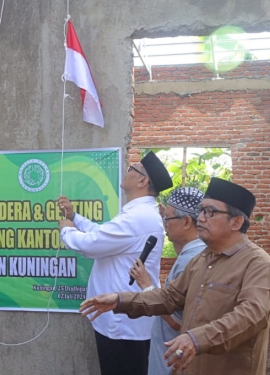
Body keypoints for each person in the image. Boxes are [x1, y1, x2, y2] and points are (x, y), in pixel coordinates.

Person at [79, 178, 270, 375]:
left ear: (236, 222)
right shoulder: (202, 260)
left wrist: (196, 339)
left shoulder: (258, 264)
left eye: (210, 212)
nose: (200, 218)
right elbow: (169, 297)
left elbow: (252, 316)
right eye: (201, 210)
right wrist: (120, 300)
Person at [57, 151, 173, 375]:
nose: (127, 171)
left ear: (142, 181)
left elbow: (91, 245)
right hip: (119, 319)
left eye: (132, 169)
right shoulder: (138, 214)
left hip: (122, 325)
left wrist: (66, 229)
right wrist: (76, 217)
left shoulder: (137, 218)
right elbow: (104, 235)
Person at [129, 187, 206, 375]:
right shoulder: (194, 253)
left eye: (168, 219)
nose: (164, 224)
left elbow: (178, 323)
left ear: (187, 222)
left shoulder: (190, 261)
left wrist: (147, 287)